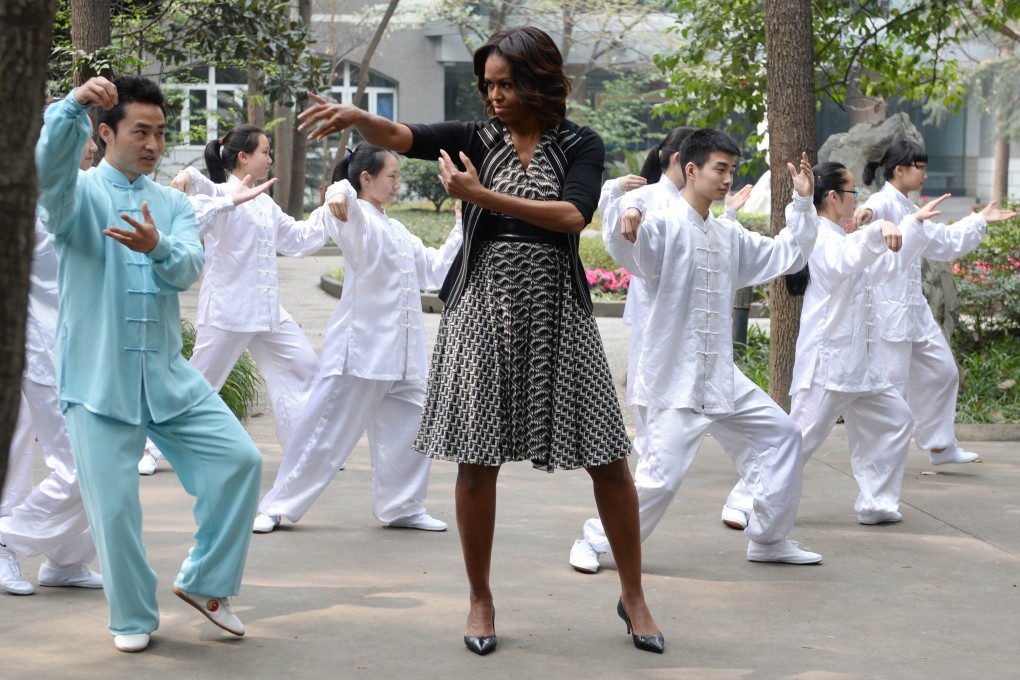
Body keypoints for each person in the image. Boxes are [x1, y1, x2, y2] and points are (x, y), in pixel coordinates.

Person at [298, 26, 663, 655]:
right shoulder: (474, 137)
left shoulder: (580, 143)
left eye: (505, 84)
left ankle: (633, 594)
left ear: (538, 81)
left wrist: (477, 195)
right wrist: (361, 117)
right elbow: (403, 137)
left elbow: (573, 217)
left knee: (608, 459)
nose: (493, 96)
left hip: (558, 313)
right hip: (481, 311)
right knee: (477, 457)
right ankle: (480, 597)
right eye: (487, 85)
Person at [36, 75, 265, 653]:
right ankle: (132, 615)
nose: (154, 144)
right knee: (114, 511)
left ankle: (207, 582)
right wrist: (70, 109)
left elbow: (188, 267)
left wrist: (156, 246)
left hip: (166, 375)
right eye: (142, 131)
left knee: (239, 460)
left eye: (161, 133)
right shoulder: (77, 195)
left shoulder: (171, 202)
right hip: (97, 377)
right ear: (106, 132)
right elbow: (48, 172)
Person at [570, 129, 824, 574]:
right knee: (660, 479)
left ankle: (768, 538)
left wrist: (803, 203)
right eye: (719, 168)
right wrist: (622, 207)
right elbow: (626, 245)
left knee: (783, 436)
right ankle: (594, 542)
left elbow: (789, 255)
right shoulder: (664, 227)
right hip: (676, 379)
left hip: (719, 376)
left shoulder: (728, 235)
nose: (727, 179)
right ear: (691, 169)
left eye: (731, 169)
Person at [724, 163, 953, 527]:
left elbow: (881, 269)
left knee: (896, 420)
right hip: (828, 364)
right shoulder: (819, 238)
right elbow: (844, 260)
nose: (856, 199)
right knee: (797, 439)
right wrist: (879, 227)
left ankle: (877, 502)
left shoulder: (842, 236)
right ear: (833, 196)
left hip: (861, 365)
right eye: (852, 192)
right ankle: (742, 500)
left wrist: (911, 225)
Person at [251, 145, 459, 535]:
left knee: (411, 429)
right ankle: (278, 505)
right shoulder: (354, 216)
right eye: (392, 176)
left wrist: (462, 221)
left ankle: (402, 506)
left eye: (398, 175)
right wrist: (337, 191)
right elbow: (339, 207)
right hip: (361, 351)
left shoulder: (397, 229)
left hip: (404, 355)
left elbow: (433, 270)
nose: (398, 183)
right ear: (367, 178)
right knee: (326, 433)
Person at [167, 124, 331, 460]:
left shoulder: (264, 204)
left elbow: (298, 239)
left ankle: (301, 451)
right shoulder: (219, 194)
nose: (270, 159)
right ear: (243, 157)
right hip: (229, 311)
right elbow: (191, 217)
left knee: (303, 367)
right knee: (200, 385)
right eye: (265, 152)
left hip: (268, 313)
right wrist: (191, 176)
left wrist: (332, 206)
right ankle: (150, 447)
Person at [854, 140, 1016, 466]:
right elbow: (868, 216)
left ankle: (940, 446)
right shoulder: (883, 200)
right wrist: (866, 214)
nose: (925, 174)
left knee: (944, 373)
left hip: (916, 311)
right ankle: (882, 458)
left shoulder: (913, 210)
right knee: (893, 388)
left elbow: (944, 242)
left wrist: (980, 220)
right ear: (900, 170)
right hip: (888, 315)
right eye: (921, 168)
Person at [0, 135, 104, 596]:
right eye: (79, 140)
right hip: (38, 343)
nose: (92, 148)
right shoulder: (23, 201)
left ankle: (66, 559)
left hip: (74, 342)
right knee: (76, 460)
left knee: (89, 459)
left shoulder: (87, 192)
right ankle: (6, 542)